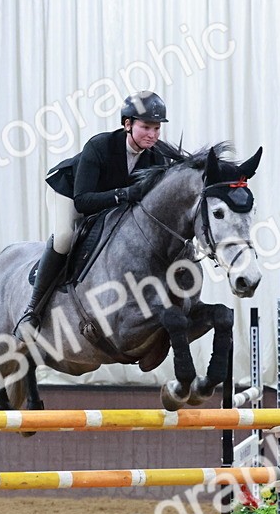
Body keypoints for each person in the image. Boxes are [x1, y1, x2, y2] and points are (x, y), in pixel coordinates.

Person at [14, 91, 169, 335]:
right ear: (127, 124)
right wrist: (124, 194)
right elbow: (83, 201)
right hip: (69, 192)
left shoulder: (158, 155)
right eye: (146, 127)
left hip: (109, 200)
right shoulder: (100, 146)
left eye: (157, 128)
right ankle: (32, 311)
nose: (152, 135)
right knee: (65, 237)